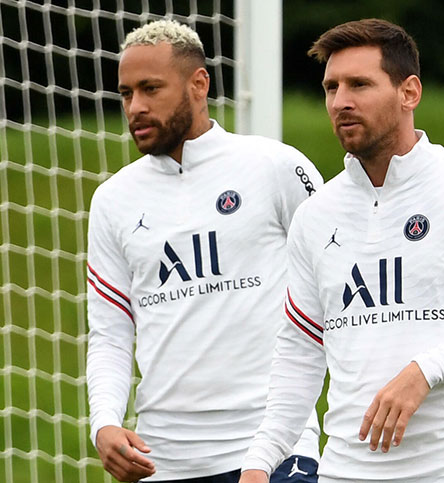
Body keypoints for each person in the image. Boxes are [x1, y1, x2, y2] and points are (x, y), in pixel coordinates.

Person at [240, 18, 444, 482]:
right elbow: (300, 352)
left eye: (359, 84)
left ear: (409, 93)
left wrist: (426, 370)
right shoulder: (315, 215)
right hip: (345, 470)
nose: (341, 101)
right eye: (331, 87)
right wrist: (261, 460)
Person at [86, 19, 322, 482]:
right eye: (126, 93)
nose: (136, 107)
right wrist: (105, 421)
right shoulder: (113, 200)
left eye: (151, 88)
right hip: (162, 460)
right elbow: (110, 331)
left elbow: (339, 278)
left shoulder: (275, 167)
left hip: (275, 450)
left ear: (199, 84)